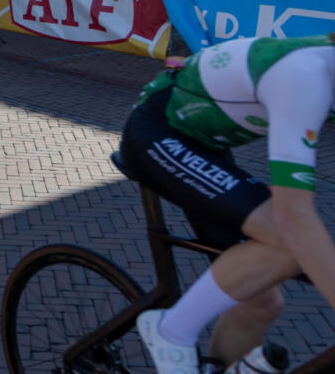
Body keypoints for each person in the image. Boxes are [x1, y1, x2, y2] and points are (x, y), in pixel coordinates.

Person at [123, 34, 335, 374]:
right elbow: (294, 215)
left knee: (260, 302)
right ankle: (170, 330)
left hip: (205, 144)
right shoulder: (305, 74)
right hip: (158, 131)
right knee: (288, 242)